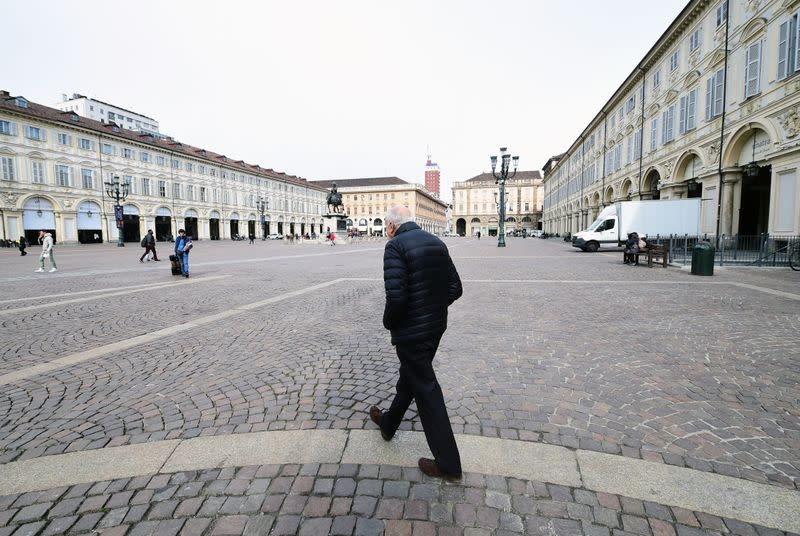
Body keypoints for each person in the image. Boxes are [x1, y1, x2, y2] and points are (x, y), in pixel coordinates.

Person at [370, 205, 463, 481]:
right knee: (411, 378)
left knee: (426, 388)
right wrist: (431, 309)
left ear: (390, 226)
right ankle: (388, 424)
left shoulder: (395, 247)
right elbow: (455, 288)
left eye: (386, 228)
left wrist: (390, 322)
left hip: (411, 334)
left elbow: (396, 299)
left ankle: (449, 464)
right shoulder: (437, 242)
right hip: (435, 328)